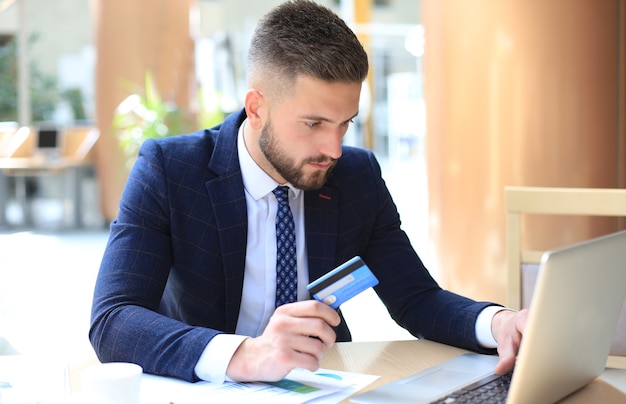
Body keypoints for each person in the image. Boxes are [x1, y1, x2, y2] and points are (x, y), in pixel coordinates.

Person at [90, 0, 527, 384]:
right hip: (209, 393)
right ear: (257, 108)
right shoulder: (170, 170)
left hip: (322, 391)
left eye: (346, 123)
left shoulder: (356, 176)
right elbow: (113, 320)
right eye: (314, 124)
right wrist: (245, 354)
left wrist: (500, 323)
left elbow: (417, 299)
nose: (333, 149)